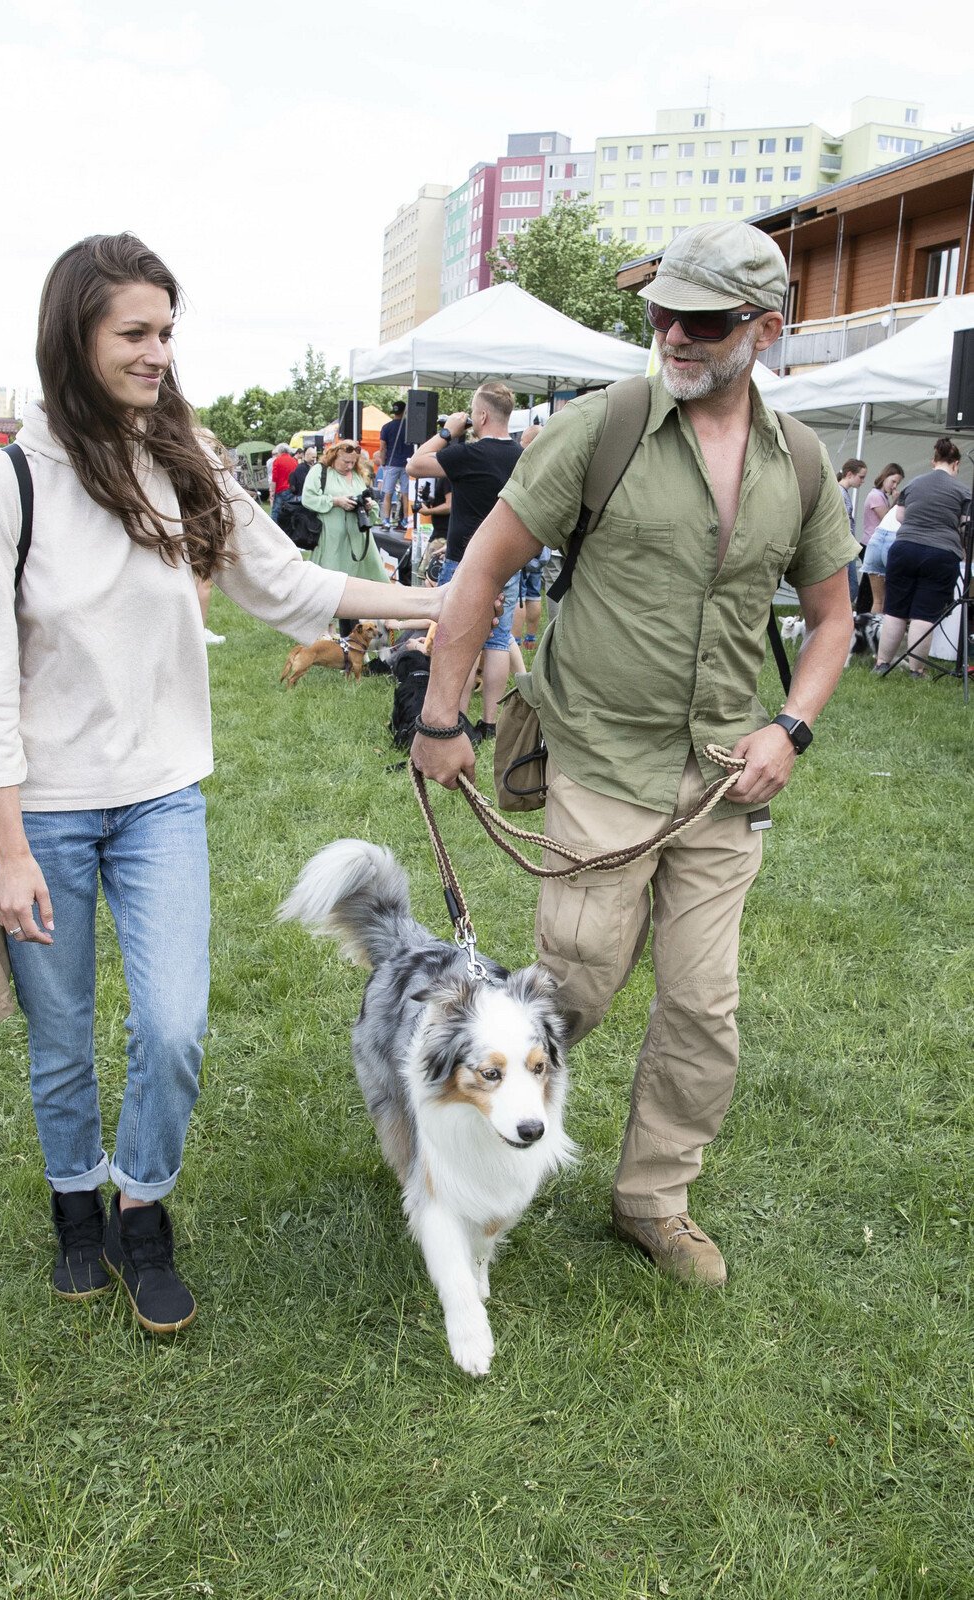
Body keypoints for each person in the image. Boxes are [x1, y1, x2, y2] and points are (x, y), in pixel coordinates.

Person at [0, 233, 446, 1333]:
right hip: (44, 811)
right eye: (135, 332)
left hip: (162, 796)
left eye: (167, 330)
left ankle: (143, 1207)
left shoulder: (186, 461)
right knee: (62, 1035)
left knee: (171, 1027)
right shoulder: (8, 484)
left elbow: (288, 580)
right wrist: (10, 845)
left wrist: (437, 604)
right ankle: (77, 1204)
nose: (159, 352)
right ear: (75, 337)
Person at [411, 220, 856, 1288]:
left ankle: (652, 1198)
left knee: (704, 1006)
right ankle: (453, 1131)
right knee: (574, 989)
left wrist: (787, 726)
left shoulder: (795, 460)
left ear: (764, 328)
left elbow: (833, 617)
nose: (670, 333)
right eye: (659, 311)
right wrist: (438, 717)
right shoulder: (598, 428)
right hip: (601, 762)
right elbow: (480, 569)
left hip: (721, 782)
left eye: (699, 320)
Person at [407, 380, 524, 739]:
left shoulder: (467, 453)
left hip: (467, 558)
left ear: (482, 415)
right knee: (499, 640)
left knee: (459, 637)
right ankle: (490, 722)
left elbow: (414, 465)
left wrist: (447, 430)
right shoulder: (523, 455)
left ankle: (457, 715)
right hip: (509, 556)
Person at [872, 437, 971, 678]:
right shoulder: (963, 490)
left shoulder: (914, 484)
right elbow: (966, 524)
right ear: (956, 464)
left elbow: (901, 517)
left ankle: (882, 664)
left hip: (904, 548)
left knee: (895, 609)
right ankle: (917, 670)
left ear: (933, 461)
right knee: (924, 613)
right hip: (941, 553)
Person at [301, 439, 389, 626]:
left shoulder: (357, 474)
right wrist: (336, 501)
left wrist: (368, 505)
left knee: (369, 585)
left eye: (353, 462)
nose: (349, 466)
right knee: (330, 585)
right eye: (345, 462)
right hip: (333, 540)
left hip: (360, 540)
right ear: (334, 456)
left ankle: (373, 625)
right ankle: (326, 630)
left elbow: (367, 501)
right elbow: (308, 498)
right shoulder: (320, 470)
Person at [859, 462, 904, 616]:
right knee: (870, 593)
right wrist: (897, 502)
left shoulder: (880, 496)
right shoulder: (876, 496)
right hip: (872, 544)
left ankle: (865, 619)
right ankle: (864, 618)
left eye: (897, 483)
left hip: (872, 544)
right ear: (885, 476)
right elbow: (887, 518)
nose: (894, 486)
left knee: (871, 592)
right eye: (893, 481)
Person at [836, 458, 867, 604]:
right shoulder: (840, 494)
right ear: (849, 474)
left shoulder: (841, 492)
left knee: (851, 587)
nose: (863, 481)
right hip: (843, 548)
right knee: (850, 587)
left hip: (846, 547)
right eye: (861, 477)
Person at [379, 399, 412, 528]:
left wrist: (383, 463)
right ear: (405, 411)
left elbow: (383, 448)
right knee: (406, 494)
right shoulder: (410, 427)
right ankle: (405, 521)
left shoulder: (386, 427)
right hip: (407, 464)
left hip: (391, 463)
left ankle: (386, 521)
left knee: (388, 493)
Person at [269, 443, 297, 527]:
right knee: (290, 510)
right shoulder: (294, 461)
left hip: (281, 490)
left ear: (280, 451)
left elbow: (275, 478)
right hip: (292, 490)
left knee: (276, 512)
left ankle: (274, 529)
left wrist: (272, 492)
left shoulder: (277, 461)